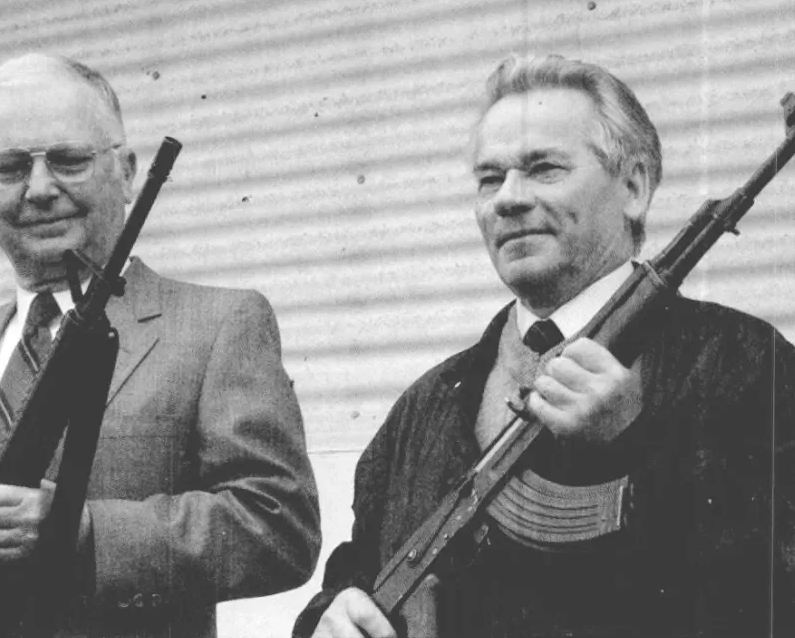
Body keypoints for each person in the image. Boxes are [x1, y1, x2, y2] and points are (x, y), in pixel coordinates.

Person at [293, 54, 795, 637]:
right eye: (490, 178)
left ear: (633, 186)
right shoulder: (424, 405)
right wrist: (326, 617)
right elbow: (355, 576)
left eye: (543, 169)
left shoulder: (743, 361)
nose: (508, 198)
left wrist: (636, 446)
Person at [0, 53, 321, 638]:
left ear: (129, 170)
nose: (40, 189)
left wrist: (79, 532)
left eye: (69, 160)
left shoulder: (217, 325)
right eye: (9, 168)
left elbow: (279, 526)